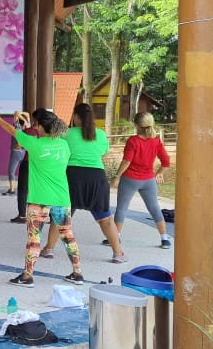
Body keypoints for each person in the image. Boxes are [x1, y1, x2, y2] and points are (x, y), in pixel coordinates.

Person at [0, 107, 84, 287]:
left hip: (38, 200)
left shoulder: (34, 143)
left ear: (40, 127)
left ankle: (27, 276)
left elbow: (12, 130)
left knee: (34, 238)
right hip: (62, 199)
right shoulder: (64, 146)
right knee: (68, 236)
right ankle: (77, 272)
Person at [42, 103, 128, 263]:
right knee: (105, 218)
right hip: (96, 178)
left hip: (71, 176)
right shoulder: (100, 135)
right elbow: (103, 151)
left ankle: (48, 249)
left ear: (76, 117)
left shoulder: (66, 133)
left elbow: (56, 147)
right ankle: (118, 253)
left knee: (59, 214)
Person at [112, 112, 173, 249]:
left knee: (122, 208)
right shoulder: (156, 141)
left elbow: (127, 161)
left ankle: (116, 237)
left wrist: (116, 176)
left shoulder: (133, 141)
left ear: (137, 125)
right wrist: (158, 174)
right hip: (148, 180)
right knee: (155, 209)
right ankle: (164, 239)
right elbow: (166, 161)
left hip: (130, 179)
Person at [3, 130, 25, 196]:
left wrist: (18, 145)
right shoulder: (26, 126)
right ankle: (24, 189)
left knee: (11, 171)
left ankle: (12, 189)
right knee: (24, 172)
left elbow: (20, 137)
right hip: (23, 151)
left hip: (16, 151)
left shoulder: (18, 126)